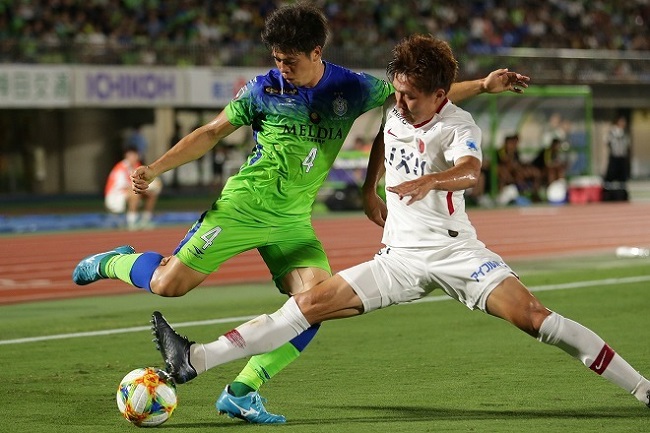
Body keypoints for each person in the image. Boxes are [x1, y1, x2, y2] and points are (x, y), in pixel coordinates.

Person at [72, 3, 530, 425]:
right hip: (242, 208)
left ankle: (244, 389)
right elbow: (211, 132)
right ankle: (114, 260)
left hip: (293, 221)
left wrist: (485, 86)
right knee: (167, 285)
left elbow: (424, 94)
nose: (282, 69)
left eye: (290, 60)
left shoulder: (351, 87)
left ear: (317, 52)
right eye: (276, 59)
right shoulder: (261, 89)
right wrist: (154, 168)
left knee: (315, 306)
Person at [150, 34, 650, 419]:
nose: (400, 102)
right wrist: (370, 187)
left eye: (411, 96)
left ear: (438, 95)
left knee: (537, 319)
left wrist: (434, 179)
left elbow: (473, 171)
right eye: (399, 93)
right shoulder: (397, 110)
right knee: (307, 305)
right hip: (399, 260)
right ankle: (194, 358)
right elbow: (382, 142)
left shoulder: (459, 125)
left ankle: (643, 388)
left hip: (457, 254)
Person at [104, 145, 162, 230]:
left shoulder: (137, 166)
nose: (133, 158)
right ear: (126, 156)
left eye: (135, 155)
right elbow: (124, 187)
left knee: (151, 194)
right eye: (131, 155)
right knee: (134, 194)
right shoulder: (121, 168)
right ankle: (132, 222)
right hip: (114, 195)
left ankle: (145, 220)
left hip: (127, 192)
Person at [497, 133, 542, 203]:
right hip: (505, 171)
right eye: (512, 143)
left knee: (534, 172)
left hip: (515, 170)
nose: (514, 145)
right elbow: (505, 161)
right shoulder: (501, 151)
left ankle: (533, 193)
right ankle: (509, 194)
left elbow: (518, 163)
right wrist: (510, 153)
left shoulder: (515, 152)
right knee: (509, 174)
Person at [603, 115, 631, 201]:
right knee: (611, 175)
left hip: (622, 157)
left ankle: (622, 194)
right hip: (614, 157)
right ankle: (607, 195)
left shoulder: (624, 133)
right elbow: (606, 141)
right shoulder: (612, 132)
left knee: (622, 176)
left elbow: (627, 144)